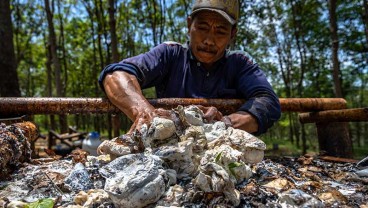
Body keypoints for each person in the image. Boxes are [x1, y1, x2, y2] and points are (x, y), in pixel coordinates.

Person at [98, 0, 281, 135]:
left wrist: (225, 123)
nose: (209, 40)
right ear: (188, 25)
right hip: (169, 151)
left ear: (232, 34)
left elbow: (268, 101)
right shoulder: (170, 54)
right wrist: (144, 111)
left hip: (223, 155)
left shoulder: (239, 63)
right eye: (202, 28)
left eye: (220, 32)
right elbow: (116, 74)